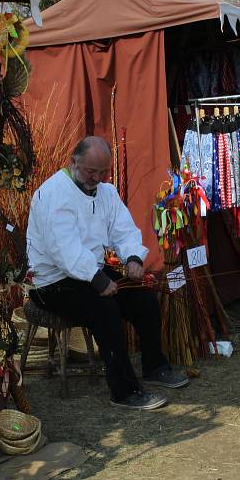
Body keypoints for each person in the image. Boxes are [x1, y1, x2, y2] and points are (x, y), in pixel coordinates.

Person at [26, 136, 190, 410]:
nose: (96, 178)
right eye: (91, 172)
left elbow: (123, 230)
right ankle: (123, 391)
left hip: (90, 273)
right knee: (106, 311)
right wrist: (98, 280)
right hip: (51, 282)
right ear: (73, 162)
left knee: (144, 299)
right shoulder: (52, 194)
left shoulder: (106, 192)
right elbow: (63, 250)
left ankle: (154, 366)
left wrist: (134, 258)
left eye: (102, 172)